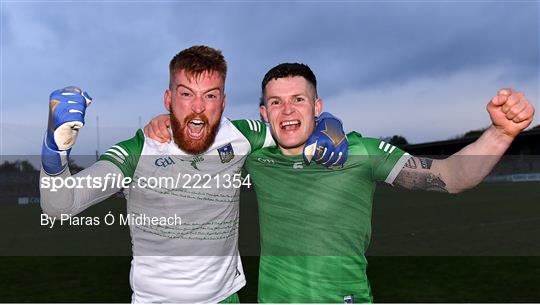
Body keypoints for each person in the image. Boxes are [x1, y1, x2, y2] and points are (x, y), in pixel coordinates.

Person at [146, 62, 535, 303]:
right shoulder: (256, 155)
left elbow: (449, 177)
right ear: (264, 113)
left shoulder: (360, 152)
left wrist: (500, 134)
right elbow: (197, 139)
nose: (288, 110)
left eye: (298, 99)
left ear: (317, 107)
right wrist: (165, 125)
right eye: (276, 102)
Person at [39, 46, 347, 303]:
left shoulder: (240, 135)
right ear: (168, 99)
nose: (198, 108)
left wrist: (329, 123)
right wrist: (55, 153)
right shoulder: (137, 150)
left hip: (225, 298)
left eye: (210, 96)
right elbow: (60, 205)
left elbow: (292, 126)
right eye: (186, 94)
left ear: (223, 103)